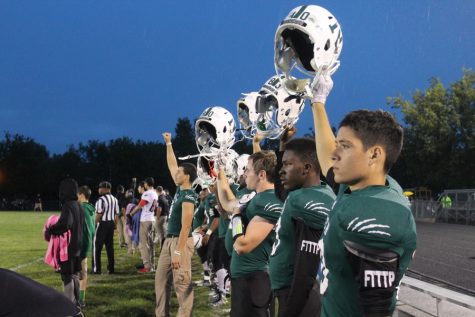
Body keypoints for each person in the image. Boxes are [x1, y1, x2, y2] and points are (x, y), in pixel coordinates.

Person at [310, 73, 417, 317]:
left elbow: (375, 310)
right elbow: (329, 159)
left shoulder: (377, 211)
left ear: (374, 155)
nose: (335, 153)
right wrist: (318, 102)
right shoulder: (362, 186)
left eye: (345, 146)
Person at [269, 138, 336, 317]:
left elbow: (307, 270)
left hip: (301, 296)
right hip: (295, 292)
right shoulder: (303, 193)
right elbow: (281, 191)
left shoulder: (309, 202)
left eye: (287, 164)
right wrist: (282, 147)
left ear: (307, 168)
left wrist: (291, 311)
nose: (281, 171)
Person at [216, 150, 283, 317]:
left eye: (248, 170)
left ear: (261, 174)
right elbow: (227, 203)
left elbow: (242, 245)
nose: (244, 174)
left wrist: (237, 215)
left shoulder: (270, 200)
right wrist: (219, 172)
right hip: (244, 277)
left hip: (256, 278)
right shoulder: (255, 197)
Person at [155, 132, 198, 317]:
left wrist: (179, 251)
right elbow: (172, 164)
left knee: (181, 285)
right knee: (160, 283)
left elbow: (186, 226)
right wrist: (169, 143)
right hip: (169, 241)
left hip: (180, 242)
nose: (176, 173)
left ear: (187, 176)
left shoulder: (189, 195)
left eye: (180, 172)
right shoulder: (180, 189)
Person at [46, 178, 85, 305]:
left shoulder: (68, 205)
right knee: (74, 274)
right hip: (78, 244)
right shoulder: (79, 205)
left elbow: (65, 224)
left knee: (67, 275)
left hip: (68, 246)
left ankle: (69, 306)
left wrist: (51, 229)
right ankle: (77, 302)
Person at [130, 177, 158, 273]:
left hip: (145, 220)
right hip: (152, 219)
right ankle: (152, 265)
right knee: (151, 244)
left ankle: (147, 267)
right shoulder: (154, 192)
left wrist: (131, 213)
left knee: (144, 244)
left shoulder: (147, 193)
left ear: (146, 184)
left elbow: (141, 205)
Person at [92, 181, 119, 275]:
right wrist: (115, 226)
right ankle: (111, 268)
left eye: (101, 187)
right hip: (111, 223)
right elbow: (116, 214)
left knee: (97, 246)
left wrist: (94, 224)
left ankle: (97, 269)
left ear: (107, 189)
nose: (99, 189)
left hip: (103, 224)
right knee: (109, 247)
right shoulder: (114, 199)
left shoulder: (101, 200)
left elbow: (99, 213)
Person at [77, 185, 95, 308]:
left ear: (82, 195)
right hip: (88, 243)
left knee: (73, 274)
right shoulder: (91, 208)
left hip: (80, 244)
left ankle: (75, 299)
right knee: (83, 272)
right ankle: (82, 299)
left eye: (78, 195)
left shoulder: (81, 208)